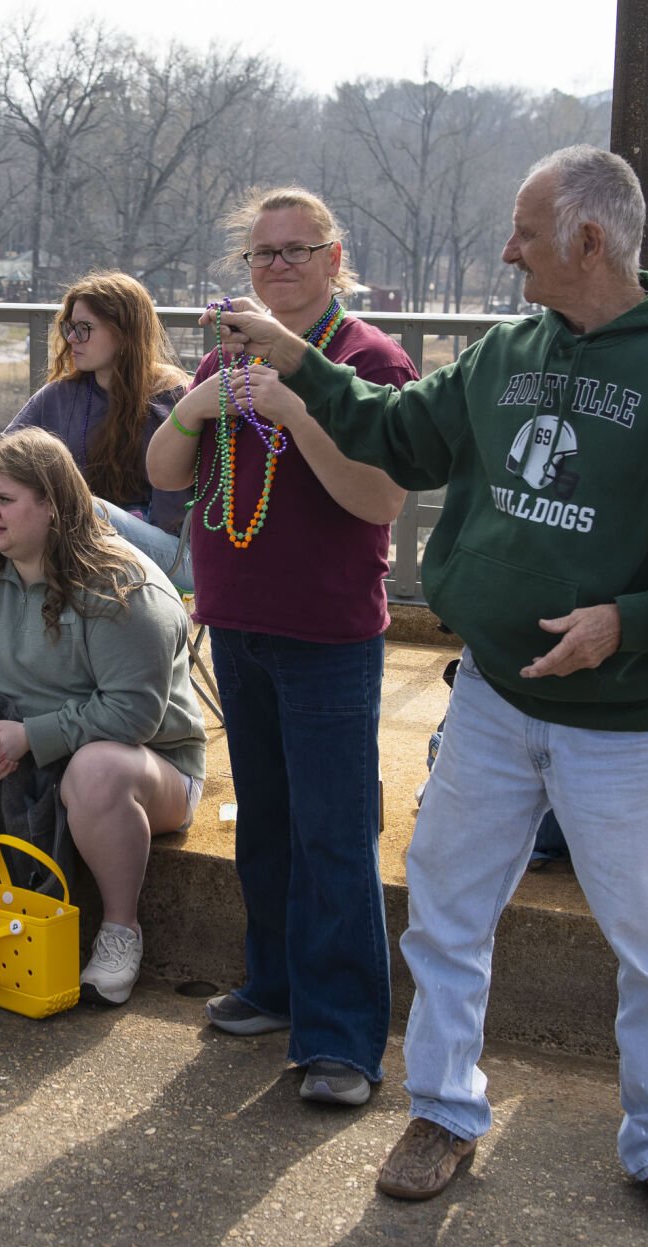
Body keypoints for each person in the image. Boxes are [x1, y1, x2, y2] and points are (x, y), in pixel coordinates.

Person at [202, 146, 648, 1236]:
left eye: (525, 231)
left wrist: (634, 620)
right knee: (443, 915)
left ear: (586, 240)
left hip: (627, 730)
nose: (506, 249)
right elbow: (397, 434)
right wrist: (299, 354)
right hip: (490, 702)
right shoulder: (505, 356)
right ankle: (441, 1110)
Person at [146, 187, 417, 1107]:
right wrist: (200, 406)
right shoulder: (230, 353)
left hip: (328, 632)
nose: (280, 267)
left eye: (299, 251)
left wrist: (296, 409)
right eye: (264, 254)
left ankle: (342, 1037)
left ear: (334, 260)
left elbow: (380, 499)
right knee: (263, 820)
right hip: (239, 623)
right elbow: (161, 474)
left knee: (333, 831)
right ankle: (274, 984)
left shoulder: (370, 360)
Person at [0, 428, 206, 1006]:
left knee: (97, 769)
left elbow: (133, 716)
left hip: (149, 766)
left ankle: (120, 931)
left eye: (4, 500)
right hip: (15, 745)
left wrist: (32, 736)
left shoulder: (124, 586)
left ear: (52, 504)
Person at [5, 270, 190, 590]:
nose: (72, 339)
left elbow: (170, 518)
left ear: (123, 334)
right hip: (85, 542)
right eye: (69, 327)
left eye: (84, 329)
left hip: (172, 552)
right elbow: (4, 458)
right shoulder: (61, 396)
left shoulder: (172, 398)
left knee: (84, 507)